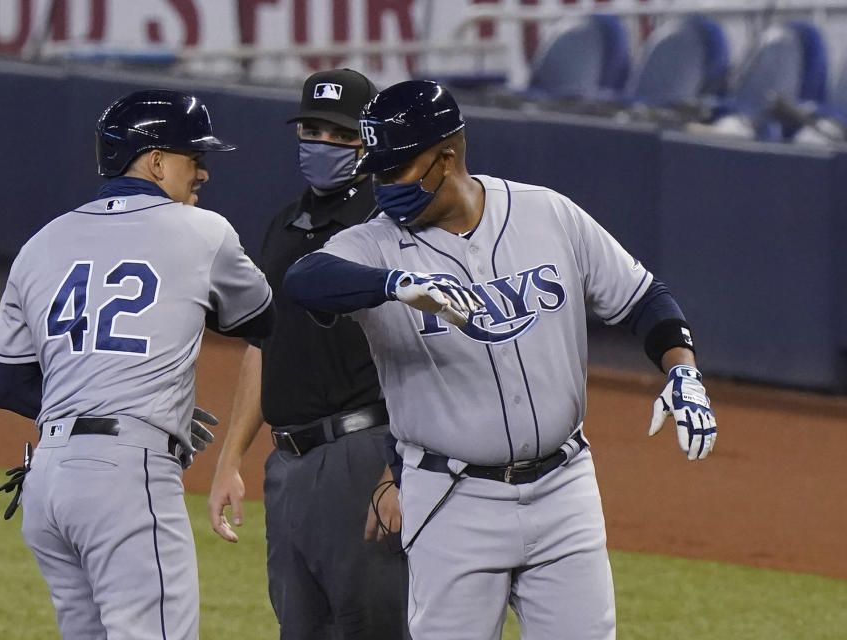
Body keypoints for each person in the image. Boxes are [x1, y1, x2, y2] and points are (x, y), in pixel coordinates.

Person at [281, 80, 718, 640]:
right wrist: (393, 284)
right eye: (378, 173)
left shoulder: (547, 214)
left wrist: (683, 369)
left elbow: (645, 298)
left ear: (448, 155)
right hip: (450, 499)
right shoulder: (374, 245)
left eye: (397, 171)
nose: (384, 187)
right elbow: (304, 280)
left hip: (564, 490)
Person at [0, 89, 274, 640]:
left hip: (47, 482)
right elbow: (264, 322)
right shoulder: (203, 231)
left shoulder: (41, 243)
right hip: (125, 479)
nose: (204, 174)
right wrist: (136, 410)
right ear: (157, 161)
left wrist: (110, 400)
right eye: (196, 158)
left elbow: (9, 384)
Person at [208, 68, 409, 639]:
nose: (323, 144)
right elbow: (263, 343)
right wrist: (232, 458)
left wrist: (399, 471)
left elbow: (428, 354)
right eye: (313, 129)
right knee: (299, 627)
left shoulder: (387, 227)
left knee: (374, 627)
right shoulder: (286, 224)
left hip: (363, 455)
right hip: (288, 464)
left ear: (369, 141)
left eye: (340, 135)